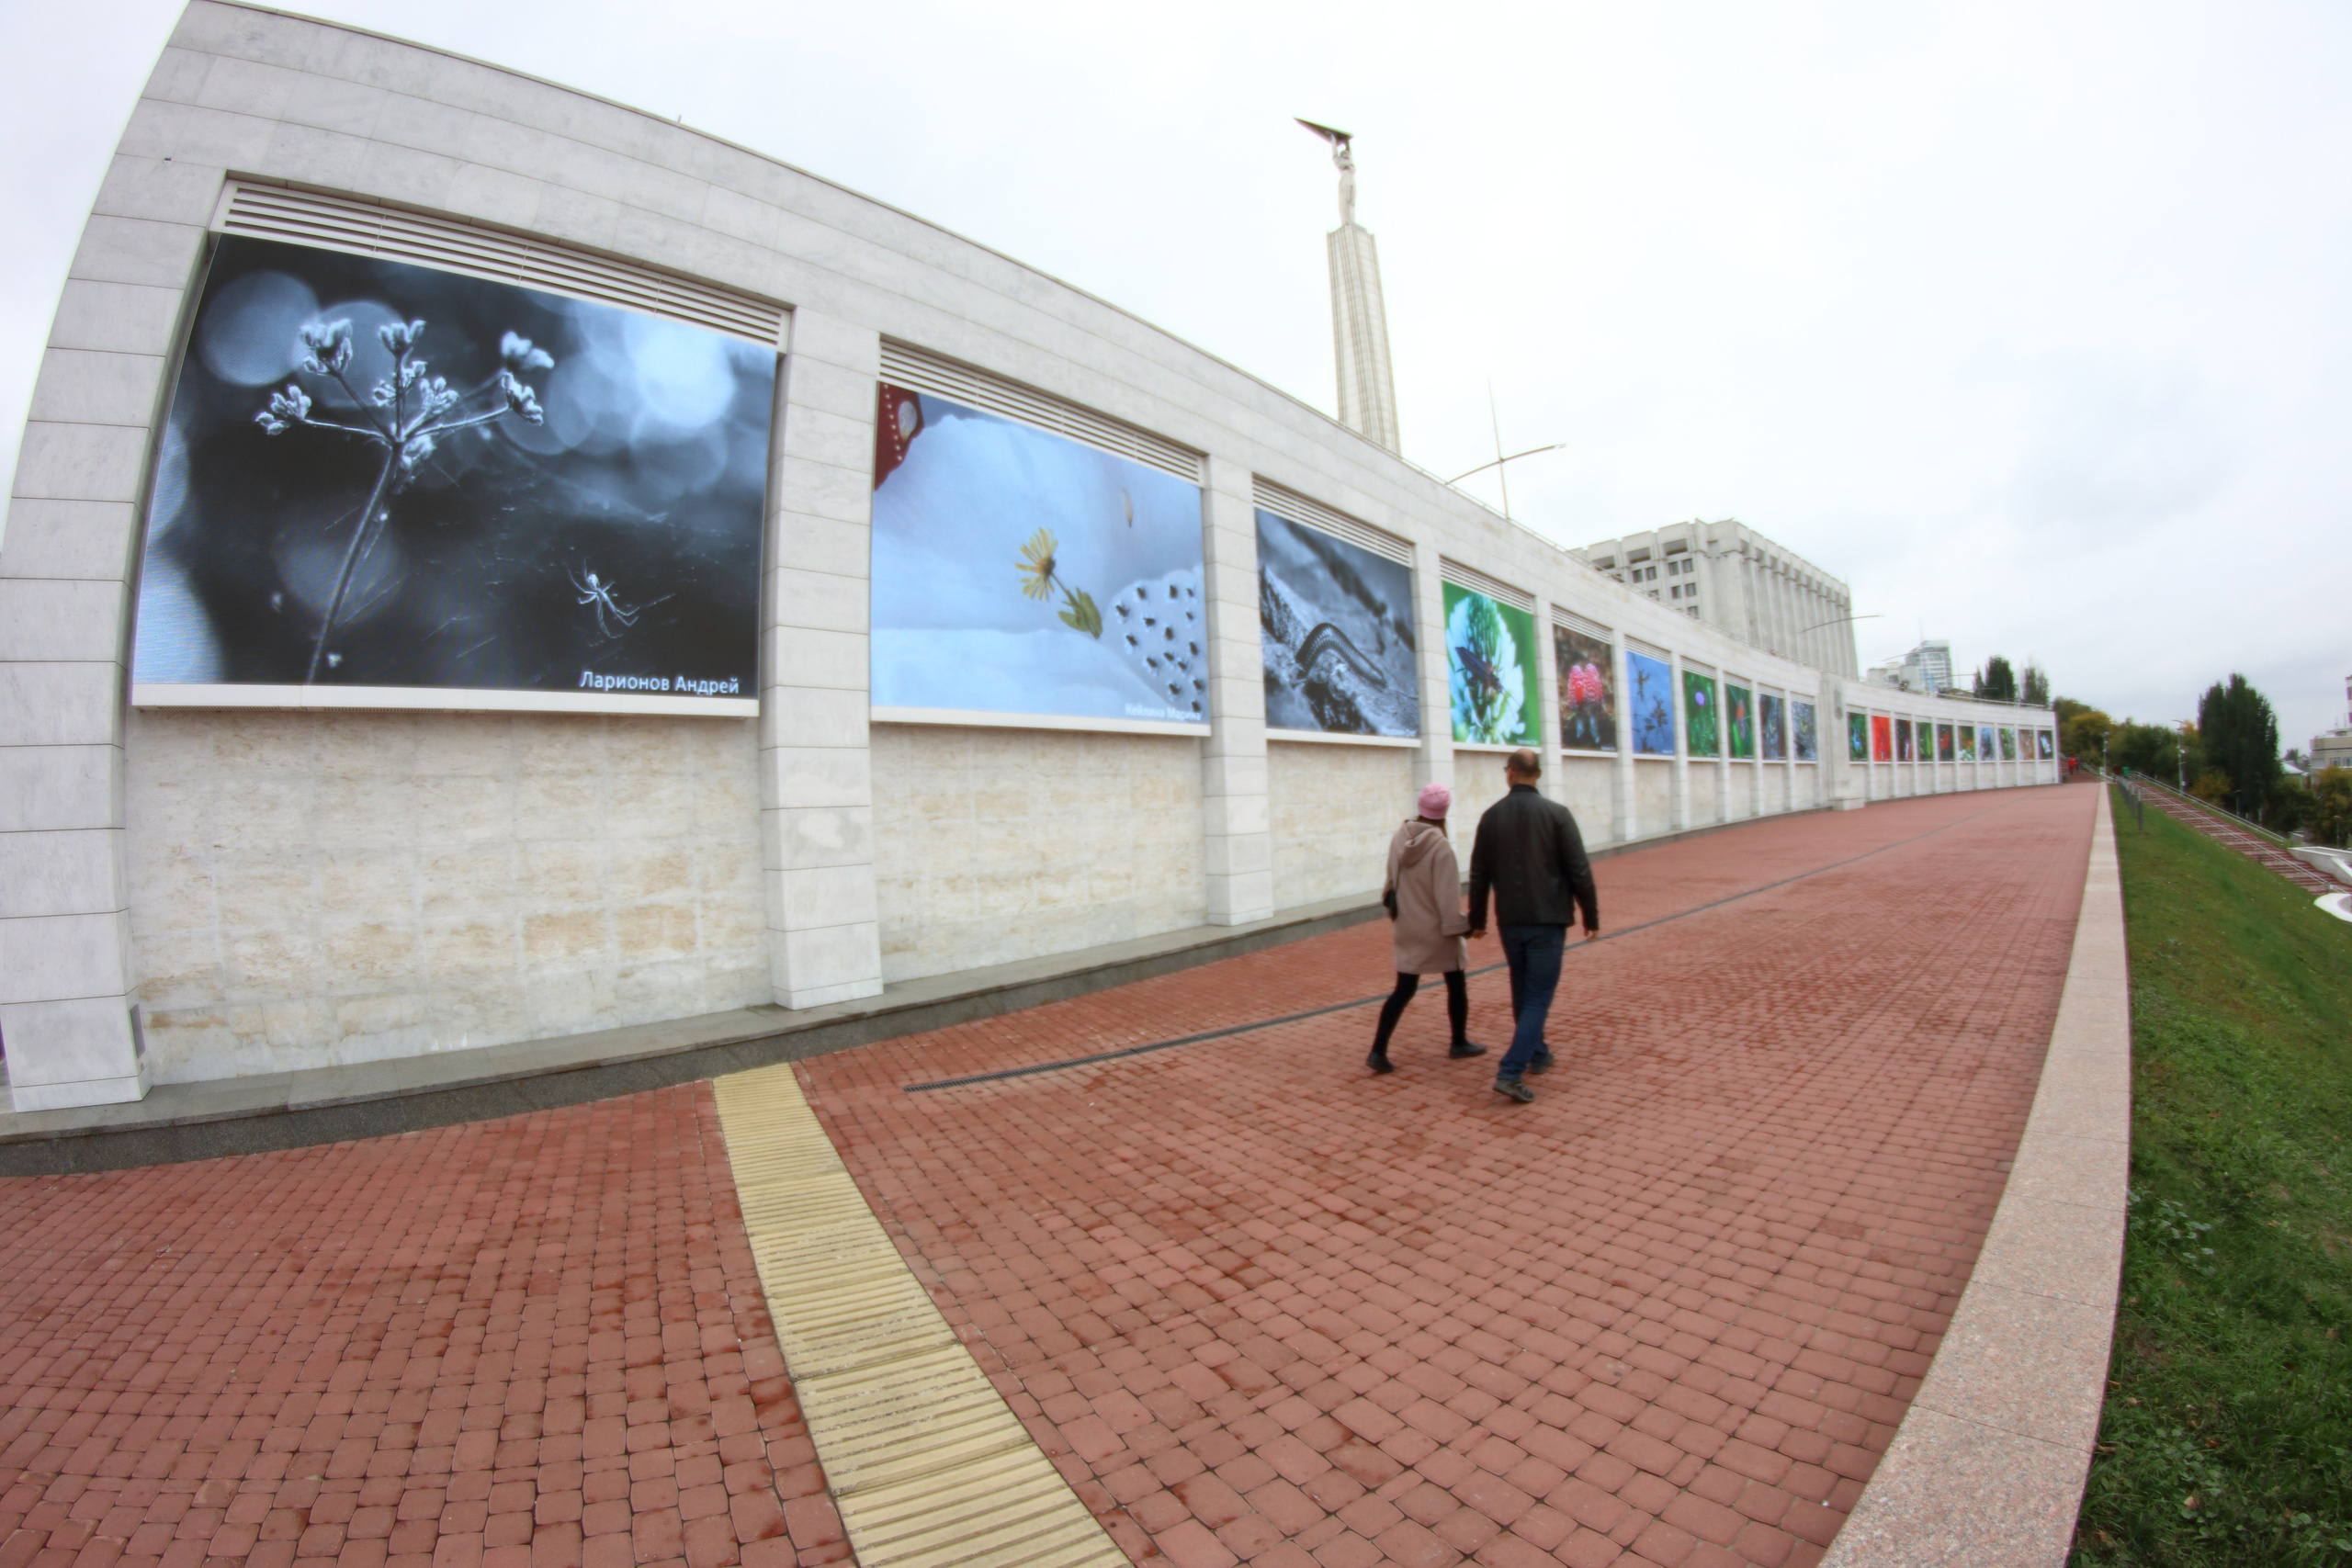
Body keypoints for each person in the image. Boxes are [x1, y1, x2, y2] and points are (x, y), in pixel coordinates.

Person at [1467, 749, 1600, 1102]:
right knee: (1538, 997)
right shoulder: (1558, 815)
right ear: (1537, 774)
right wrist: (1591, 915)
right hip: (1549, 918)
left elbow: (1479, 875)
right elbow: (1579, 869)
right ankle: (1511, 1071)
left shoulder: (1491, 817)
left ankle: (1538, 1053)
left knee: (1523, 991)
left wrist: (1477, 919)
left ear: (1510, 773)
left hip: (1511, 918)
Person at [1368, 784, 1485, 1074]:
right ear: (1444, 812)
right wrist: (1465, 928)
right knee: (1456, 981)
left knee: (1403, 989)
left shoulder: (1399, 837)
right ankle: (1459, 1041)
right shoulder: (1441, 847)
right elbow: (1447, 902)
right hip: (1436, 933)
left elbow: (1389, 887)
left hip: (1407, 927)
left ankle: (1378, 1049)